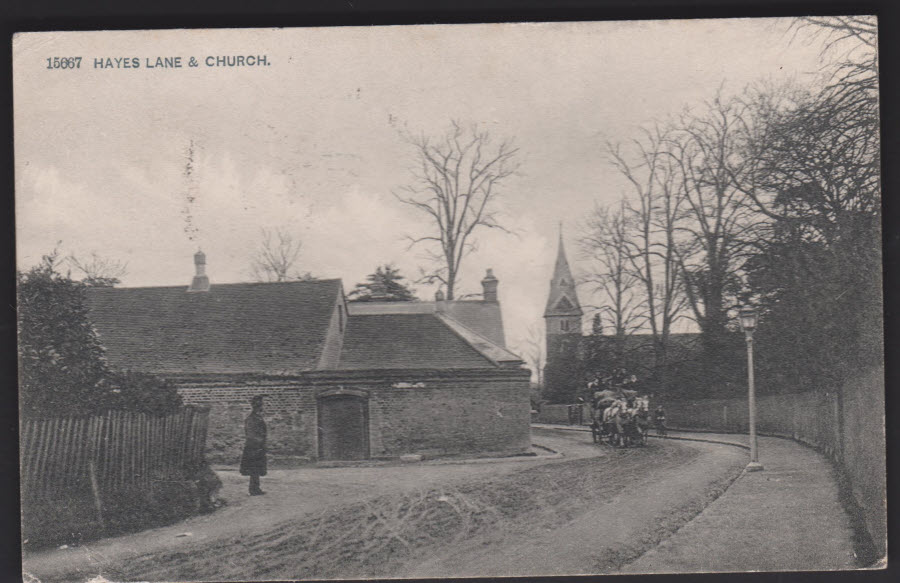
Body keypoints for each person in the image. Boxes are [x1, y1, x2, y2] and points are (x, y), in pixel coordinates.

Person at [240, 395, 268, 495]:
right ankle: (253, 489)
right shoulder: (251, 419)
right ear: (256, 406)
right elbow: (251, 435)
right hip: (253, 447)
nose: (261, 406)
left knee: (256, 469)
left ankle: (255, 488)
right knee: (254, 469)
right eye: (260, 405)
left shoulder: (257, 418)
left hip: (257, 447)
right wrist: (259, 443)